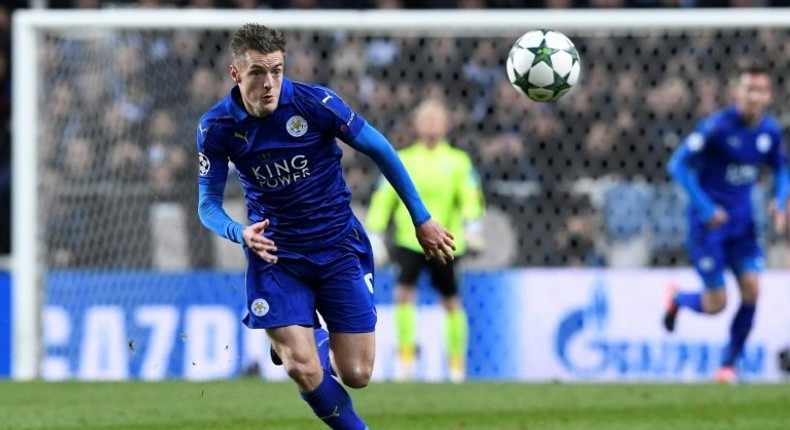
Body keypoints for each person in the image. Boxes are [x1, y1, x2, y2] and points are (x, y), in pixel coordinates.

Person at [196, 23, 456, 430]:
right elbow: (207, 204)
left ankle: (299, 337)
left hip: (337, 247)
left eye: (277, 71)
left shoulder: (315, 103)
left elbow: (380, 148)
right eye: (258, 73)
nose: (270, 84)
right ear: (235, 74)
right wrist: (238, 232)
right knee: (303, 367)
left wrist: (420, 217)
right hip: (276, 254)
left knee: (356, 374)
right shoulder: (216, 128)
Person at [663, 62, 789, 384]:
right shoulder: (716, 127)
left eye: (760, 90)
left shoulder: (769, 132)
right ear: (737, 93)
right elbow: (677, 165)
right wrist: (706, 208)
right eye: (749, 89)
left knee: (752, 290)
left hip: (743, 226)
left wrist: (780, 198)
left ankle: (728, 366)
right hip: (709, 227)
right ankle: (677, 299)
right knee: (717, 304)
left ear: (769, 95)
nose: (754, 96)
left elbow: (781, 168)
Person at [365, 98, 485, 382]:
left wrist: (473, 225)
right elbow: (384, 197)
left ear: (447, 125)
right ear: (416, 124)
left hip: (447, 240)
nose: (431, 124)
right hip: (410, 239)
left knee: (451, 300)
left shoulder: (458, 161)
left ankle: (456, 367)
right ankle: (406, 362)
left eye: (436, 119)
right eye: (425, 119)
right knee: (403, 295)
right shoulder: (404, 158)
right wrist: (375, 231)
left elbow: (470, 195)